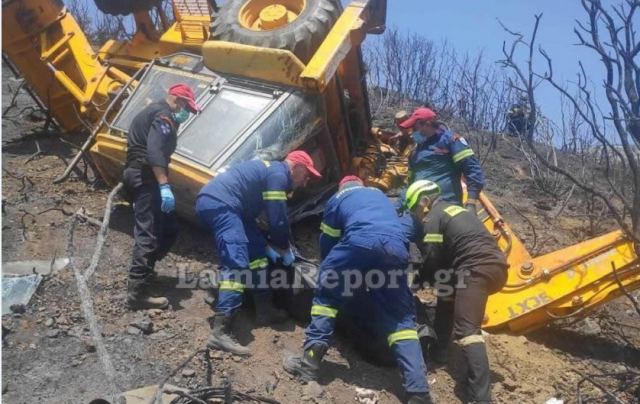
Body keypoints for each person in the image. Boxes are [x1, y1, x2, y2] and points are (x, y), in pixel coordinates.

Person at [284, 176, 432, 404]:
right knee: (401, 321)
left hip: (360, 241)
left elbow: (329, 239)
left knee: (327, 300)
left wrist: (330, 271)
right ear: (362, 185)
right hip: (396, 249)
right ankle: (419, 392)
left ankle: (310, 364)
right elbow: (397, 235)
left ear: (343, 186)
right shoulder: (381, 197)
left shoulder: (338, 198)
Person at [196, 151, 322, 356]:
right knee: (237, 264)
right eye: (306, 176)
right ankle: (220, 330)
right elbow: (277, 217)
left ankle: (264, 309)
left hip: (235, 209)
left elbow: (269, 219)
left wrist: (273, 245)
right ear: (297, 167)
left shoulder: (272, 172)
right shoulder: (278, 174)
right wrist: (283, 246)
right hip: (222, 204)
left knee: (257, 254)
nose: (305, 183)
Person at [404, 180, 508, 403]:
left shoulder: (434, 215)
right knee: (447, 295)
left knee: (467, 331)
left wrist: (417, 281)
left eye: (415, 209)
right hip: (492, 267)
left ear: (425, 201)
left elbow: (431, 255)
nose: (416, 215)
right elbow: (443, 258)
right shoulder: (455, 210)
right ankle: (440, 352)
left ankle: (481, 397)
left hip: (475, 268)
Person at [124, 83, 199, 310]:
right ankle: (137, 293)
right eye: (187, 107)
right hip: (145, 178)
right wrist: (164, 185)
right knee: (148, 232)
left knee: (169, 229)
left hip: (144, 176)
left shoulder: (156, 112)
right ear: (177, 100)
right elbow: (155, 151)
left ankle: (145, 273)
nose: (187, 113)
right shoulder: (163, 115)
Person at [400, 107, 485, 212]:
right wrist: (400, 206)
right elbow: (409, 181)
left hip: (445, 207)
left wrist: (471, 202)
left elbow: (472, 169)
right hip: (418, 208)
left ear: (427, 124)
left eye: (414, 128)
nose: (412, 132)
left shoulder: (450, 140)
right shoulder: (416, 151)